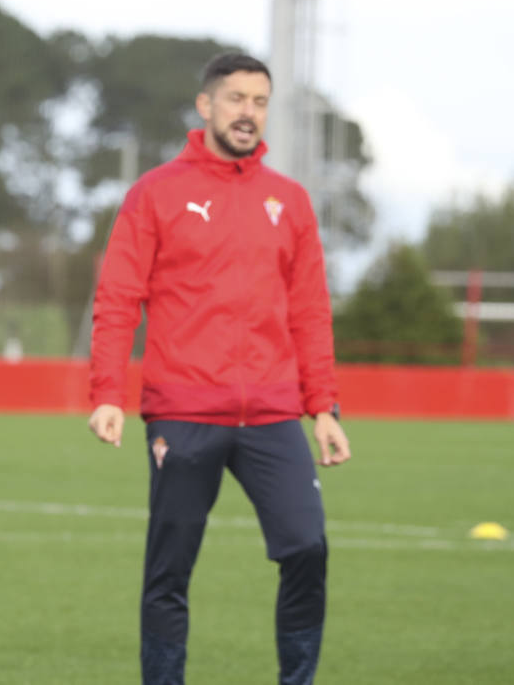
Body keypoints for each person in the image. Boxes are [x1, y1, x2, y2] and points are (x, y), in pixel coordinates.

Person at [87, 51, 353, 685]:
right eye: (236, 99)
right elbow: (119, 298)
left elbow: (311, 311)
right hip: (182, 413)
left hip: (272, 414)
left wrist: (324, 407)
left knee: (308, 548)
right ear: (205, 106)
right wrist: (107, 393)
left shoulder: (288, 202)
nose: (249, 113)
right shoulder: (155, 193)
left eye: (260, 102)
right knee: (169, 573)